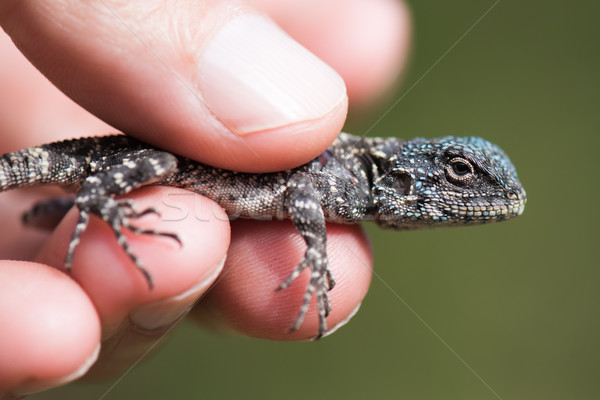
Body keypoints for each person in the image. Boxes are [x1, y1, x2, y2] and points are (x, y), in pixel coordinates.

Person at [0, 0, 410, 395]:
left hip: (130, 167)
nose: (472, 194)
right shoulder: (352, 179)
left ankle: (65, 209)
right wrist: (316, 254)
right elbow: (302, 192)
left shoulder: (356, 179)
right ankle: (92, 199)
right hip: (131, 161)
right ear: (409, 176)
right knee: (160, 167)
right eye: (459, 173)